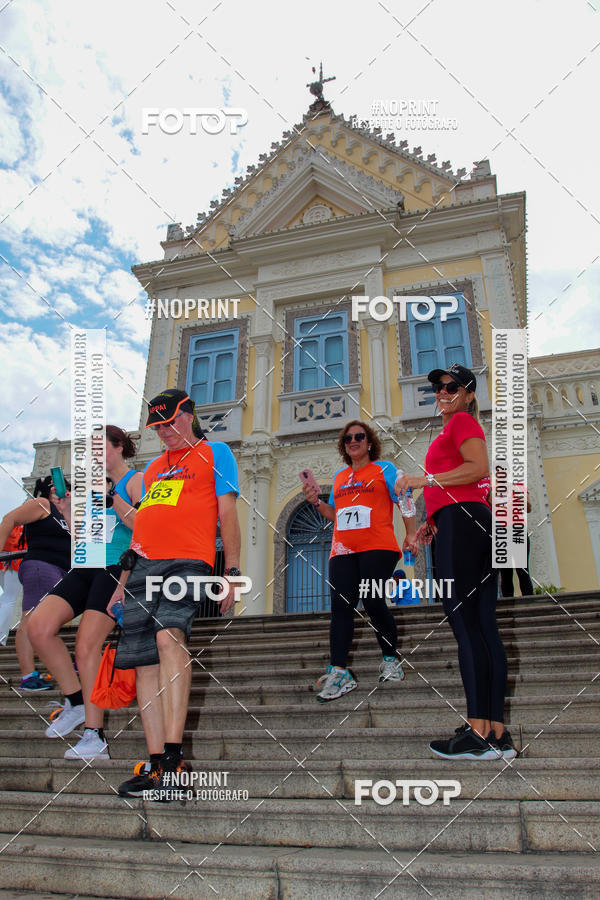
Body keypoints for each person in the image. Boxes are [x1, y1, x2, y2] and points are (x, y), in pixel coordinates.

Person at [107, 389, 241, 798]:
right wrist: (118, 587)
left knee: (169, 637)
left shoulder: (217, 453)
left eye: (170, 422)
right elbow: (144, 524)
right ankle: (153, 765)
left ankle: (173, 759)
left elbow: (228, 516)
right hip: (143, 566)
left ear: (189, 415)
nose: (163, 431)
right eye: (157, 426)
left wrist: (232, 572)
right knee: (145, 662)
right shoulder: (151, 469)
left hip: (189, 562)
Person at [395, 364, 516, 760]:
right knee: (484, 627)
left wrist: (421, 481)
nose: (441, 392)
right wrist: (431, 522)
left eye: (451, 386)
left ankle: (477, 733)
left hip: (465, 524)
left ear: (467, 394)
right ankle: (496, 733)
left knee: (467, 627)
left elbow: (477, 468)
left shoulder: (462, 422)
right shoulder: (454, 425)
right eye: (437, 387)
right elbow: (460, 482)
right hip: (467, 522)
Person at [28, 426, 143, 759]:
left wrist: (113, 498)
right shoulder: (93, 489)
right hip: (86, 566)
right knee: (38, 627)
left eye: (99, 447)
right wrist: (66, 512)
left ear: (119, 446)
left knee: (87, 645)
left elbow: (143, 526)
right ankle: (77, 702)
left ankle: (95, 736)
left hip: (116, 570)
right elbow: (84, 541)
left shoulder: (136, 480)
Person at [301, 420, 418, 703]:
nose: (353, 441)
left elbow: (405, 498)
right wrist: (317, 502)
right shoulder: (340, 477)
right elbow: (337, 515)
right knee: (341, 608)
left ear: (369, 442)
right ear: (344, 446)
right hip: (342, 550)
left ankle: (391, 660)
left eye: (359, 436)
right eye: (347, 438)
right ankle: (339, 672)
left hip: (378, 546)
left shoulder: (384, 469)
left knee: (373, 601)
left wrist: (412, 533)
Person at [0, 476, 70, 690]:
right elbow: (9, 519)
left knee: (46, 622)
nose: (66, 492)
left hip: (60, 570)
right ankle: (28, 675)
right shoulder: (42, 504)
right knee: (30, 618)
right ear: (50, 490)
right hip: (42, 566)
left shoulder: (64, 514)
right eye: (62, 488)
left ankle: (47, 668)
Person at [500, 484, 534, 597]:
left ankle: (529, 605)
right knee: (505, 574)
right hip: (501, 533)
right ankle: (507, 609)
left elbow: (528, 508)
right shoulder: (493, 489)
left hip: (518, 530)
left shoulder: (519, 486)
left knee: (523, 571)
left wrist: (516, 491)